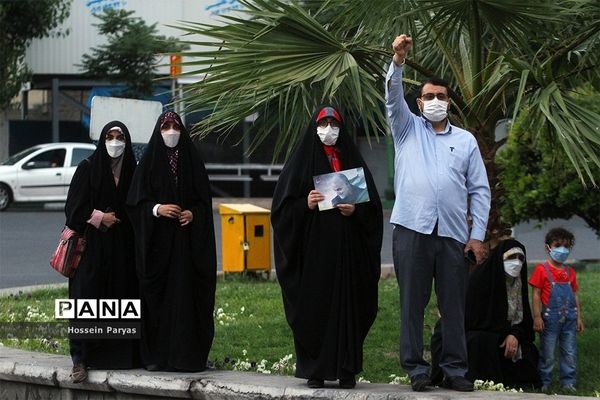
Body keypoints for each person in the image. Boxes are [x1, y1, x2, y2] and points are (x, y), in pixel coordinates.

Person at [385, 34, 491, 392]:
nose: (434, 101)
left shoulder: (465, 141)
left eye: (440, 97)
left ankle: (455, 369)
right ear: (418, 102)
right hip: (411, 229)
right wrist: (398, 62)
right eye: (428, 97)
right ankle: (416, 368)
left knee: (453, 305)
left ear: (450, 102)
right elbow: (391, 98)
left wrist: (476, 237)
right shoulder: (406, 129)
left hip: (452, 235)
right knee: (412, 304)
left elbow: (479, 190)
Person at [271, 105, 383, 389]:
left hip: (347, 256)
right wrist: (304, 205)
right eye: (324, 123)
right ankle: (315, 370)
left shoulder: (351, 160)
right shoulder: (301, 162)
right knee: (315, 308)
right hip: (314, 257)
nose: (329, 129)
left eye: (334, 123)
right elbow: (281, 211)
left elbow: (373, 211)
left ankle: (347, 370)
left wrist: (355, 212)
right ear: (315, 127)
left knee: (349, 307)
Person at [126, 111, 216, 372]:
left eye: (175, 125)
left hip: (187, 248)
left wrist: (193, 214)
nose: (171, 130)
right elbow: (135, 204)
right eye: (165, 126)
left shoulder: (193, 162)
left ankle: (187, 357)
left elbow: (203, 202)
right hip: (157, 249)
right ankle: (156, 357)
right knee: (157, 302)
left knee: (188, 300)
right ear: (158, 130)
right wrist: (157, 209)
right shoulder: (148, 163)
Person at [65, 121, 139, 382]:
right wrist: (100, 217)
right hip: (91, 250)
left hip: (123, 251)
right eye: (110, 136)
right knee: (86, 299)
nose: (115, 141)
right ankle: (80, 360)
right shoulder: (87, 168)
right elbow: (73, 211)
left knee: (120, 299)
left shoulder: (133, 171)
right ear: (102, 139)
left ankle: (116, 356)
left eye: (120, 137)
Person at [430, 239, 541, 389]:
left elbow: (523, 321)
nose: (516, 263)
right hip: (475, 332)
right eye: (511, 258)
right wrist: (503, 335)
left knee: (527, 350)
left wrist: (514, 334)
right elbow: (472, 320)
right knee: (478, 343)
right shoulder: (481, 281)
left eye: (521, 258)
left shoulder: (517, 285)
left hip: (504, 334)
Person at [529, 228, 584, 392]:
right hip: (549, 320)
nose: (562, 249)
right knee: (548, 353)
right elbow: (536, 295)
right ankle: (544, 381)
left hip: (569, 320)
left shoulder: (570, 272)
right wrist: (537, 317)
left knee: (569, 352)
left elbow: (574, 295)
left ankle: (568, 382)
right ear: (548, 248)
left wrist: (578, 318)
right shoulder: (541, 269)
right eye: (558, 245)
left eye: (566, 246)